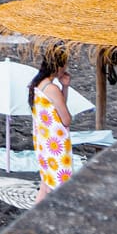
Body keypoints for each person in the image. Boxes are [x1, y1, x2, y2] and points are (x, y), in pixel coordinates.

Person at [30, 48, 75, 200]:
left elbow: (57, 106)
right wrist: (61, 88)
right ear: (58, 66)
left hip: (44, 141)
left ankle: (33, 218)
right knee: (60, 186)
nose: (66, 69)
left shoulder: (38, 84)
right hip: (56, 144)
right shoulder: (52, 89)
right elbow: (66, 119)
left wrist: (65, 87)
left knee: (45, 184)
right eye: (64, 65)